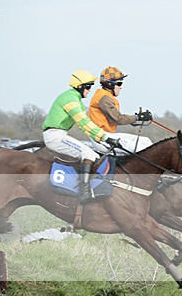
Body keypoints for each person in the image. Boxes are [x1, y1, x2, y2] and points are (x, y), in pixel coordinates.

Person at [42, 70, 119, 201]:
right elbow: (83, 123)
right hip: (54, 136)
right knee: (88, 155)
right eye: (88, 86)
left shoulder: (75, 99)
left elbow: (86, 126)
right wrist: (105, 138)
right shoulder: (70, 99)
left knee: (93, 155)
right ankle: (84, 191)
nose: (89, 90)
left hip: (59, 134)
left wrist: (102, 139)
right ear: (80, 86)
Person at [87, 66, 153, 155]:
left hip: (106, 135)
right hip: (102, 138)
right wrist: (138, 117)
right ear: (110, 84)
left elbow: (115, 117)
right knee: (143, 148)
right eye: (119, 83)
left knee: (146, 141)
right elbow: (118, 119)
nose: (121, 87)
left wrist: (135, 119)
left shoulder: (105, 96)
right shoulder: (104, 98)